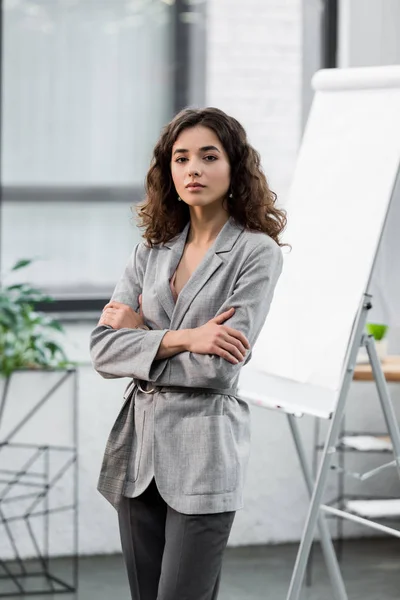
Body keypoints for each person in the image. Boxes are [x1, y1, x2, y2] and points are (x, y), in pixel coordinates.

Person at [89, 107, 287, 600]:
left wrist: (144, 336)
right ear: (168, 171)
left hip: (204, 454)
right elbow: (103, 350)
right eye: (181, 158)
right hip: (139, 455)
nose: (193, 169)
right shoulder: (150, 250)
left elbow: (216, 369)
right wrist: (186, 337)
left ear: (234, 167)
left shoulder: (256, 252)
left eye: (208, 156)